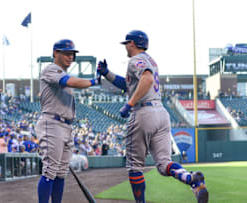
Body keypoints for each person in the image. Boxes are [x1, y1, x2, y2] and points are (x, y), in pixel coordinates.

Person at [97, 30, 208, 203]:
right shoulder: (150, 60)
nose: (125, 46)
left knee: (134, 167)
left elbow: (146, 80)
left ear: (132, 43)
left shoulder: (135, 60)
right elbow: (129, 85)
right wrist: (107, 73)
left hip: (143, 112)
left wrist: (129, 104)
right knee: (164, 165)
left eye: (126, 43)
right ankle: (191, 179)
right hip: (161, 113)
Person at [36, 39, 100, 203]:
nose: (70, 57)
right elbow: (70, 82)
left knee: (61, 172)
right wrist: (94, 81)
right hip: (52, 123)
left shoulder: (62, 73)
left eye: (72, 54)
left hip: (65, 126)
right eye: (66, 53)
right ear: (55, 53)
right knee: (50, 170)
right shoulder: (51, 69)